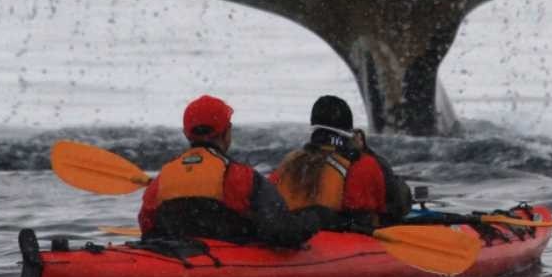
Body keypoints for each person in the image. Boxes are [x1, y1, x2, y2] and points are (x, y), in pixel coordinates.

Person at [137, 95, 318, 248]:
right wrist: (313, 219)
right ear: (226, 132)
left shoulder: (161, 180)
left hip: (170, 261)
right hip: (229, 264)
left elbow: (147, 229)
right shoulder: (242, 178)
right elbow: (282, 233)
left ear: (186, 134)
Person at [270, 95, 412, 230]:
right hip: (344, 242)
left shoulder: (289, 162)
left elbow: (268, 203)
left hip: (293, 233)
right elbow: (391, 208)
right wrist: (366, 151)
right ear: (349, 129)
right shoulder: (361, 165)